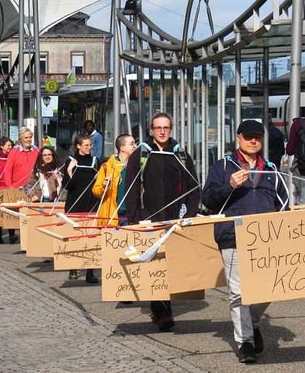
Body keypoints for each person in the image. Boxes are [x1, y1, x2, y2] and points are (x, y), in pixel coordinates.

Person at [202, 120, 288, 364]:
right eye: (248, 137)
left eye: (257, 138)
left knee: (269, 287)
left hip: (265, 239)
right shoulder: (222, 167)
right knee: (238, 293)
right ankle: (245, 343)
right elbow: (208, 199)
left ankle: (254, 322)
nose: (253, 141)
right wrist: (229, 185)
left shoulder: (270, 169)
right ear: (238, 138)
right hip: (232, 236)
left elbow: (283, 205)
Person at [125, 112, 200, 332]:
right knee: (153, 264)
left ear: (171, 129)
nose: (162, 131)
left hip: (174, 217)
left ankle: (162, 310)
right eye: (158, 128)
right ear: (151, 130)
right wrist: (134, 218)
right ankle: (161, 311)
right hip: (147, 217)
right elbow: (130, 189)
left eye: (166, 127)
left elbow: (194, 186)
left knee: (168, 264)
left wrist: (189, 216)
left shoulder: (180, 155)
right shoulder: (141, 153)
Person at [60, 134, 101, 284]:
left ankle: (90, 271)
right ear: (78, 146)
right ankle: (73, 268)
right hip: (75, 203)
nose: (89, 148)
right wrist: (70, 171)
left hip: (91, 203)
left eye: (90, 145)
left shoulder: (95, 161)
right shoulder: (71, 161)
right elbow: (67, 186)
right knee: (75, 236)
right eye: (86, 145)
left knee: (91, 236)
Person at [92, 134, 135, 226]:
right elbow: (96, 191)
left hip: (130, 216)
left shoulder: (135, 166)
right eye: (131, 144)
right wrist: (104, 186)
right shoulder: (107, 166)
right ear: (122, 148)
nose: (135, 146)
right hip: (111, 215)